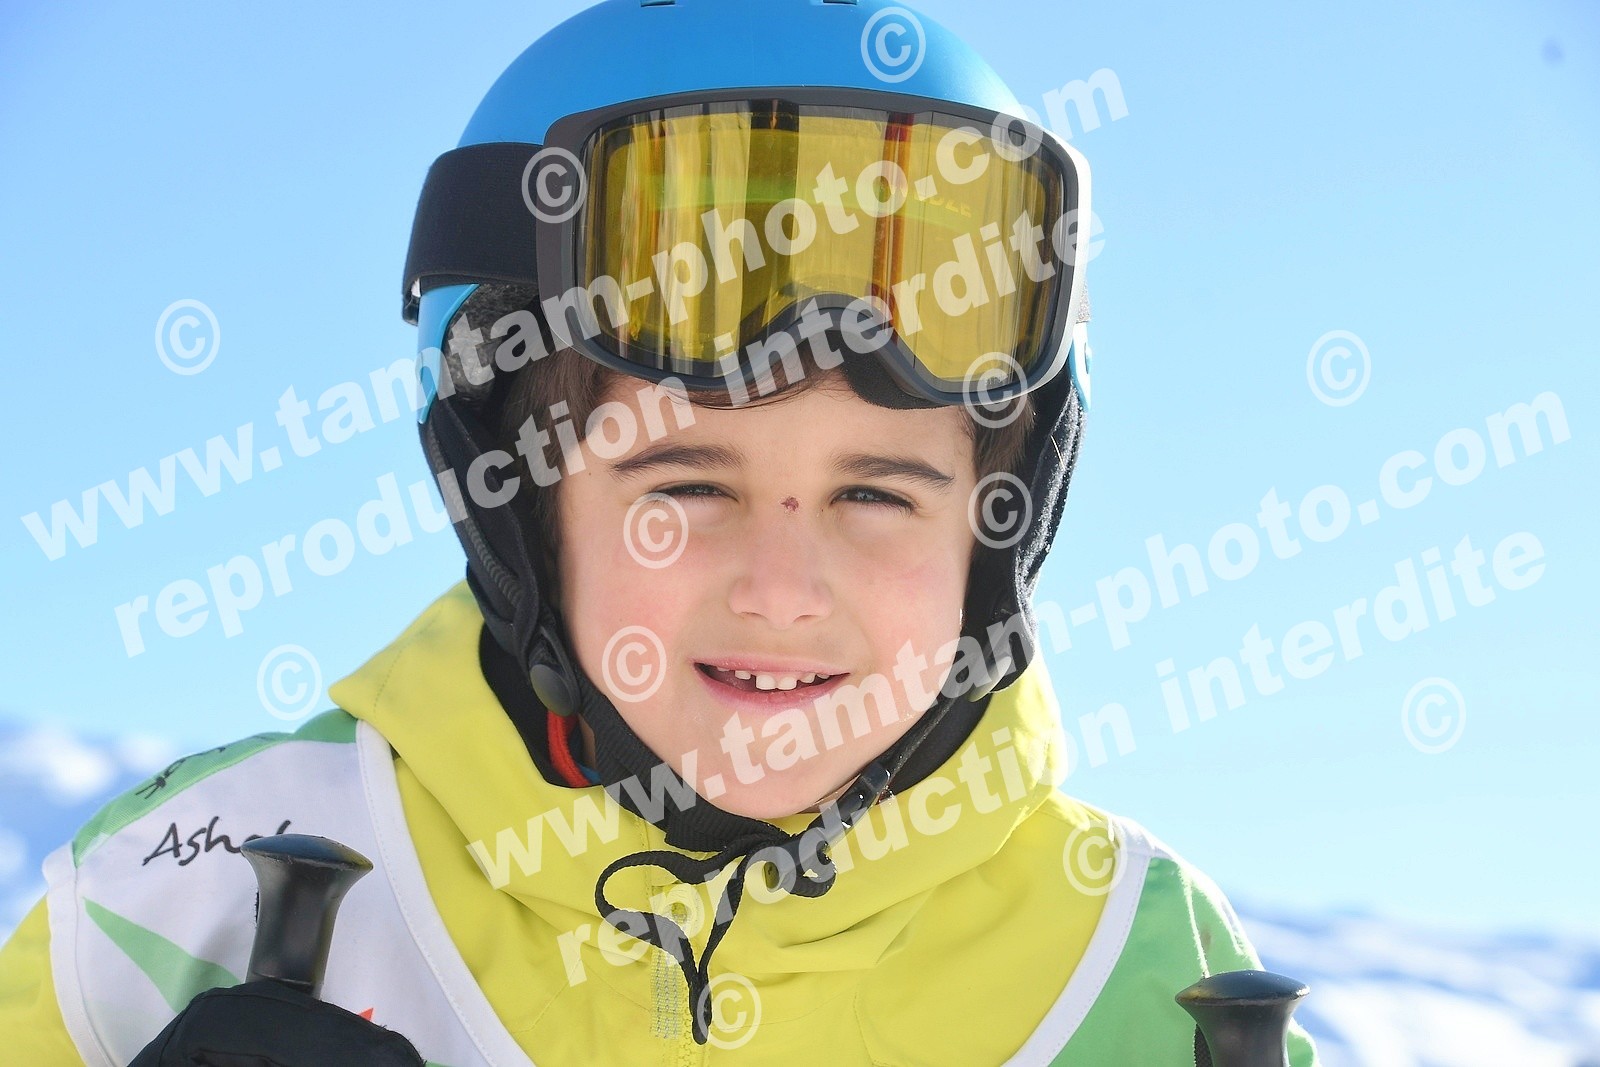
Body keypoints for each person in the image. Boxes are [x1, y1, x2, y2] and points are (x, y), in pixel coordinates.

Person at [0, 0, 1320, 1063]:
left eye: (877, 495)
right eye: (686, 487)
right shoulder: (185, 896)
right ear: (519, 509)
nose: (784, 590)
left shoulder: (1137, 965)